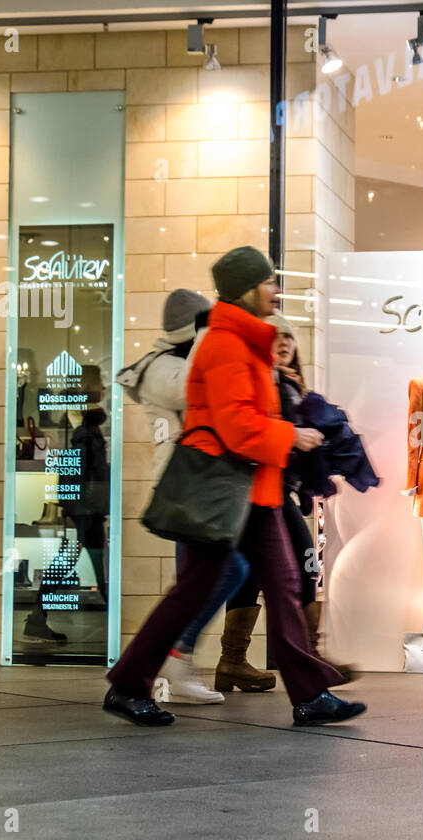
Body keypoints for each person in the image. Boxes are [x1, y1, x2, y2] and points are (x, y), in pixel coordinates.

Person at [103, 247, 365, 727]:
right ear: (246, 289)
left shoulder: (246, 341)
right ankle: (127, 683)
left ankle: (308, 694)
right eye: (268, 283)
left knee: (284, 586)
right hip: (226, 490)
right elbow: (235, 425)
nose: (275, 290)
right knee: (194, 591)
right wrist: (292, 435)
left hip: (252, 490)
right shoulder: (225, 343)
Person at [117, 289, 261, 703]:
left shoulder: (181, 360)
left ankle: (170, 667)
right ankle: (165, 666)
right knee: (218, 576)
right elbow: (196, 391)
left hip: (205, 486)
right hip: (184, 488)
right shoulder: (162, 368)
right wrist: (208, 333)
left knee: (205, 581)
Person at [218, 312, 356, 690]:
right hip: (260, 493)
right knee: (305, 563)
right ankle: (308, 657)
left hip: (275, 492)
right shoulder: (262, 383)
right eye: (275, 336)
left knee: (250, 575)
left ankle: (232, 661)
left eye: (289, 338)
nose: (284, 343)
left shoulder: (287, 384)